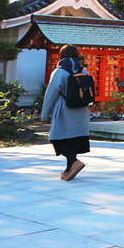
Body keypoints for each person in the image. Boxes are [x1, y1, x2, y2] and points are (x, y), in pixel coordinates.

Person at [40, 45, 91, 181]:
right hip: (81, 111)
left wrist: (44, 115)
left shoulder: (59, 72)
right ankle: (69, 170)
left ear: (61, 56)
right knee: (73, 140)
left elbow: (50, 94)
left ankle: (74, 162)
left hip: (64, 109)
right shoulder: (84, 71)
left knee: (57, 138)